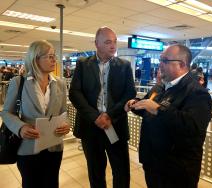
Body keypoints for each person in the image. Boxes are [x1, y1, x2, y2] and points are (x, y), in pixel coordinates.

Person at [125, 44, 212, 188]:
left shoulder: (196, 93)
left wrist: (159, 109)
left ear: (182, 64)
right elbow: (148, 107)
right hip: (153, 162)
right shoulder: (160, 87)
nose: (160, 64)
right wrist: (135, 104)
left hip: (177, 170)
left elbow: (193, 127)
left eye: (165, 60)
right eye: (160, 60)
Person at [69, 26, 136, 188]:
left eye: (114, 42)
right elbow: (75, 93)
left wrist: (109, 116)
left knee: (121, 172)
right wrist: (95, 117)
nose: (113, 46)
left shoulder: (124, 66)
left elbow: (129, 93)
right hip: (91, 128)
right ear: (96, 44)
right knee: (95, 172)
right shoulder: (83, 64)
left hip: (115, 126)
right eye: (107, 42)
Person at [1, 40, 70, 188]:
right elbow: (6, 112)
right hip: (28, 148)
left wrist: (66, 125)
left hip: (54, 147)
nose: (54, 60)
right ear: (35, 59)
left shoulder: (60, 84)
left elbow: (64, 112)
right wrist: (20, 127)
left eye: (54, 56)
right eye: (49, 56)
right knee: (31, 183)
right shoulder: (19, 82)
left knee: (52, 183)